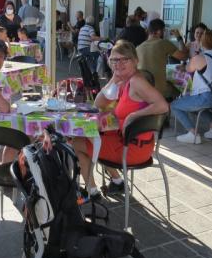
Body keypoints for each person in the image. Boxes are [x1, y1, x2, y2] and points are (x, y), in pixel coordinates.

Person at [72, 40, 169, 197]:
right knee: (91, 136)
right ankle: (117, 181)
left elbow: (163, 106)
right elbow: (98, 104)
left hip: (132, 149)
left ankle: (92, 192)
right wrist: (114, 79)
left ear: (135, 61)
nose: (119, 63)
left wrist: (134, 115)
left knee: (77, 142)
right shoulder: (125, 81)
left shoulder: (137, 81)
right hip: (130, 143)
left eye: (125, 59)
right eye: (114, 60)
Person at [171, 29, 212, 144]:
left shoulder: (200, 58)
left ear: (203, 42)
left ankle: (193, 134)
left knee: (174, 105)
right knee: (195, 106)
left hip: (206, 97)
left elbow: (188, 68)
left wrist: (186, 64)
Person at [136, 18, 188, 100]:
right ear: (159, 31)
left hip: (142, 90)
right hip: (159, 90)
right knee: (182, 92)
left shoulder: (138, 48)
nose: (164, 33)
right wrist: (179, 37)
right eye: (164, 31)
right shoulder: (163, 43)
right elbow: (184, 57)